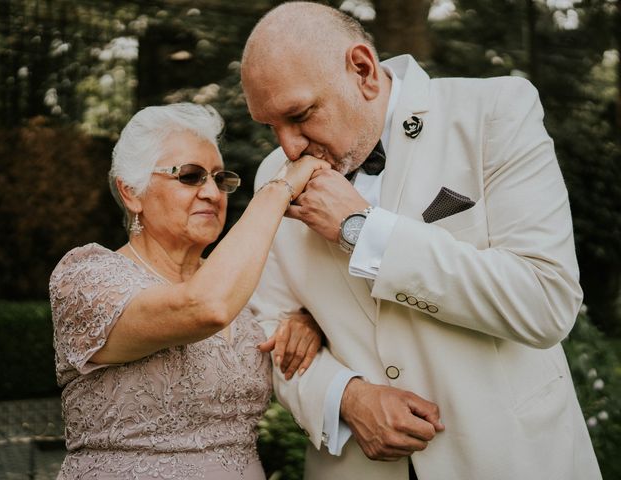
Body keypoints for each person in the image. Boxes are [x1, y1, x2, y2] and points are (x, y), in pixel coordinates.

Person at [241, 2, 602, 479]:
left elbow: (544, 299)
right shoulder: (274, 176)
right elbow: (269, 327)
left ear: (363, 70)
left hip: (507, 458)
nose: (288, 147)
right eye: (270, 126)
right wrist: (345, 396)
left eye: (301, 115)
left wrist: (361, 230)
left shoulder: (493, 114)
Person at [49, 103, 329, 479]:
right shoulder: (86, 279)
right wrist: (278, 189)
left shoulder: (239, 285)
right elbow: (203, 308)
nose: (213, 193)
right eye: (191, 176)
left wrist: (306, 322)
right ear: (132, 192)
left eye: (219, 178)